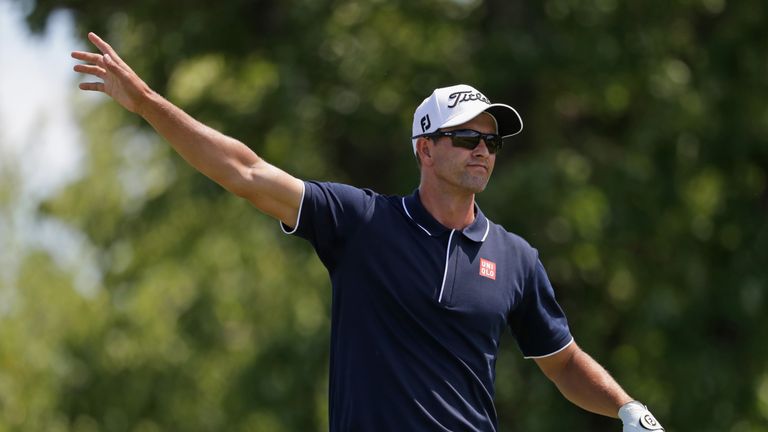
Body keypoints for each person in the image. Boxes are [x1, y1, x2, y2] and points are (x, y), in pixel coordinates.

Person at [72, 32, 665, 432]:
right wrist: (146, 101)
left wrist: (627, 408)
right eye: (466, 138)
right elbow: (246, 172)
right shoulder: (362, 223)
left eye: (491, 141)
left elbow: (561, 363)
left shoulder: (515, 258)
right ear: (425, 148)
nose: (483, 150)